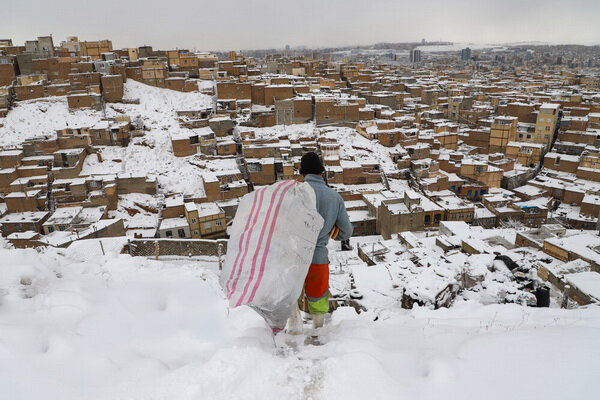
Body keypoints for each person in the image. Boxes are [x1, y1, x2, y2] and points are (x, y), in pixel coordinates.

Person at [300, 152, 353, 328]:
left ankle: (294, 328)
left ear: (303, 174)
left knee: (291, 294)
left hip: (293, 256)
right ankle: (318, 331)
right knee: (318, 296)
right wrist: (332, 232)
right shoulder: (334, 197)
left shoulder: (294, 193)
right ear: (321, 173)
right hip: (318, 256)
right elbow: (346, 232)